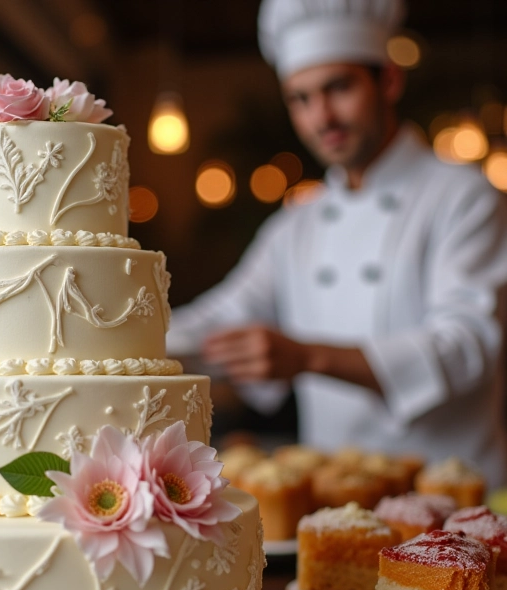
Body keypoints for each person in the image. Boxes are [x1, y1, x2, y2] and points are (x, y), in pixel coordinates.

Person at [167, 0, 507, 488]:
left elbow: (466, 347)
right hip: (337, 501)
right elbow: (223, 317)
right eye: (300, 98)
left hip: (453, 496)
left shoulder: (463, 196)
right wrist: (114, 347)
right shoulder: (296, 225)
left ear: (389, 79)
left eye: (338, 88)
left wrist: (307, 357)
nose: (320, 117)